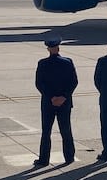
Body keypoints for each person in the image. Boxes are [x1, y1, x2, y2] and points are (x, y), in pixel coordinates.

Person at [33, 36, 78, 166]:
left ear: (48, 49)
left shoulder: (42, 63)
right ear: (58, 48)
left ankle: (44, 159)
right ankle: (69, 157)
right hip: (64, 103)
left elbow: (39, 84)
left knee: (46, 131)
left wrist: (51, 97)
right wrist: (63, 97)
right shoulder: (68, 62)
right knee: (66, 130)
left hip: (48, 103)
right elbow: (73, 82)